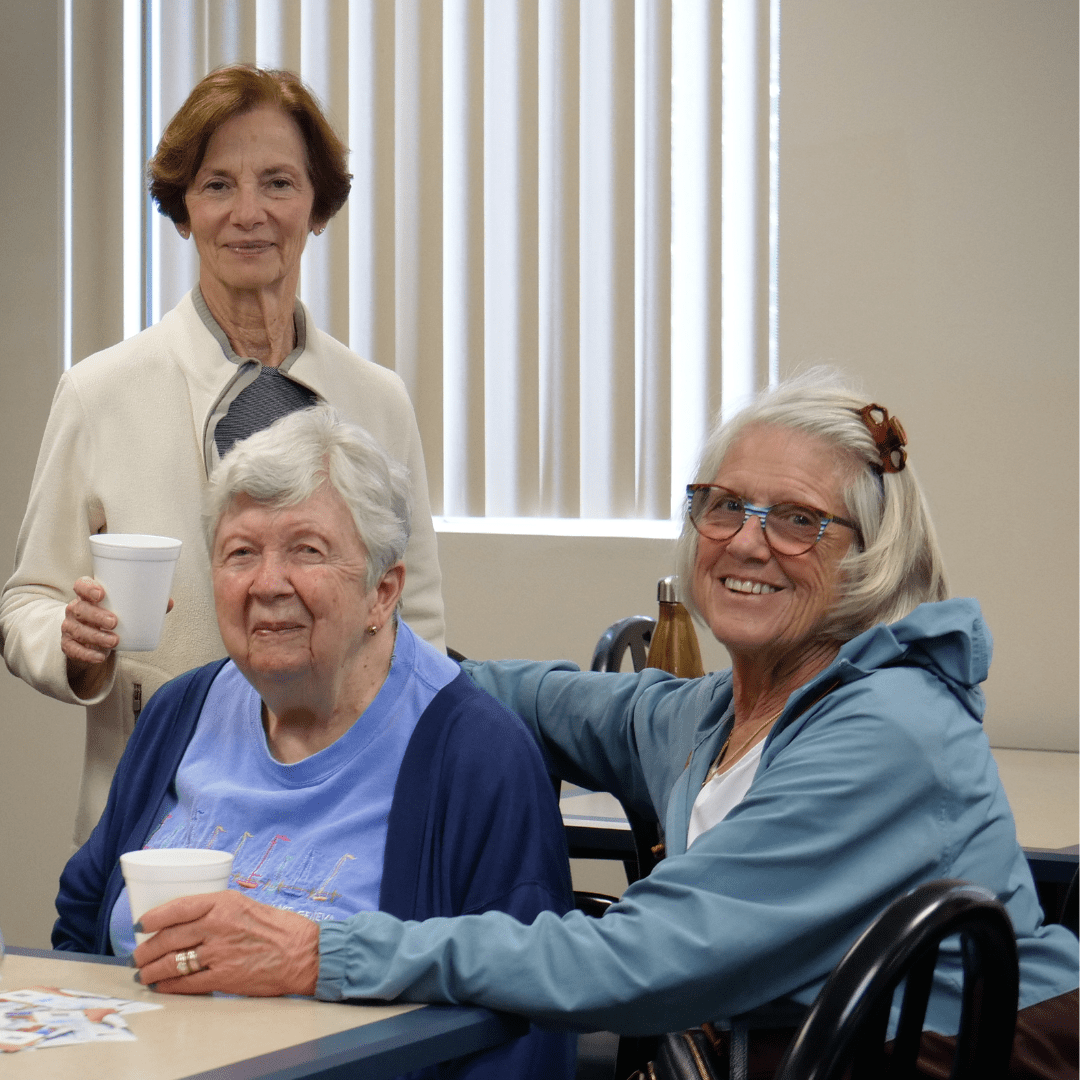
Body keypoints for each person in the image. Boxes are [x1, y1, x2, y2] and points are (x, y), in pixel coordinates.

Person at [122, 374, 1078, 1079]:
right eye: (720, 506)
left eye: (797, 521)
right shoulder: (718, 715)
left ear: (872, 552)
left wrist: (319, 951)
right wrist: (352, 643)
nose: (747, 541)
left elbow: (632, 963)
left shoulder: (885, 733)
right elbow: (540, 697)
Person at [53, 406, 574, 1080]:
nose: (268, 584)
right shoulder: (182, 712)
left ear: (382, 592)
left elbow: (526, 1020)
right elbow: (83, 920)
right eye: (241, 552)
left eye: (307, 550)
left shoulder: (476, 756)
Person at [0, 65, 444, 849]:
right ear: (182, 212)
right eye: (216, 186)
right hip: (153, 816)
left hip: (342, 821)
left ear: (317, 208)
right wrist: (72, 647)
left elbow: (420, 624)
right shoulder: (99, 392)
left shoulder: (377, 401)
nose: (249, 214)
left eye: (277, 183)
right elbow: (25, 603)